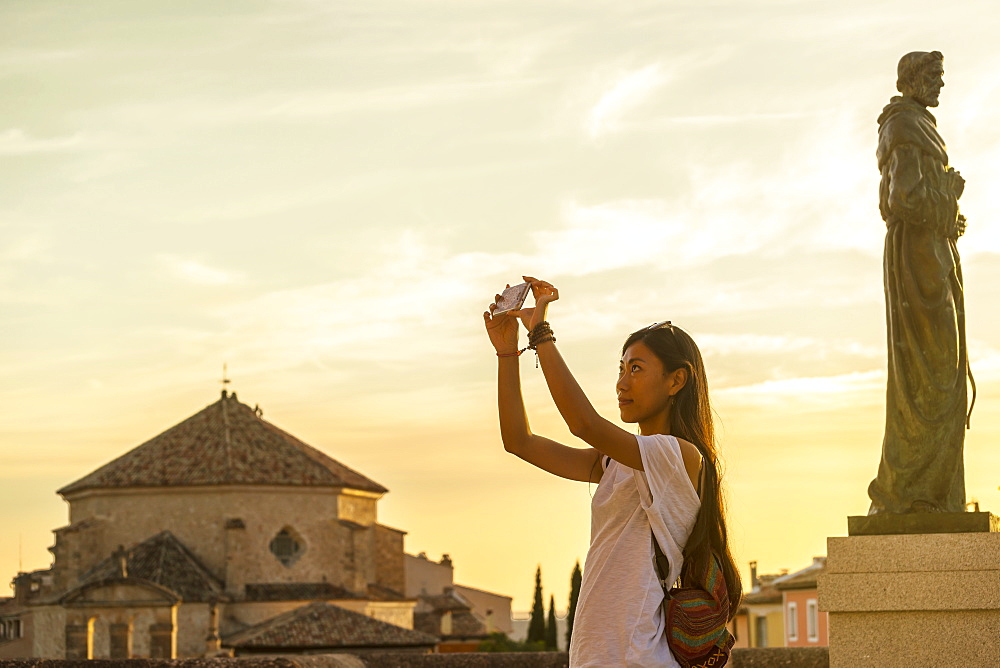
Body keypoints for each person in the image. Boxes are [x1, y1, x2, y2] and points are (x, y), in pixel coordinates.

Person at [483, 276, 742, 667]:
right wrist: (507, 355)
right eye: (620, 369)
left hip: (636, 657)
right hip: (600, 655)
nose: (622, 383)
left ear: (677, 380)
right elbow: (519, 442)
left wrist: (540, 332)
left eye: (636, 369)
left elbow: (583, 423)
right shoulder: (615, 463)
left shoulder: (680, 457)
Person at [868, 51, 972, 515]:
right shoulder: (904, 127)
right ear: (911, 80)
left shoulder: (913, 126)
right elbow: (902, 197)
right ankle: (915, 493)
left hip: (927, 253)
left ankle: (933, 492)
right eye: (934, 77)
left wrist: (947, 213)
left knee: (939, 376)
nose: (940, 85)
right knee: (933, 379)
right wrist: (947, 202)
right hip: (919, 261)